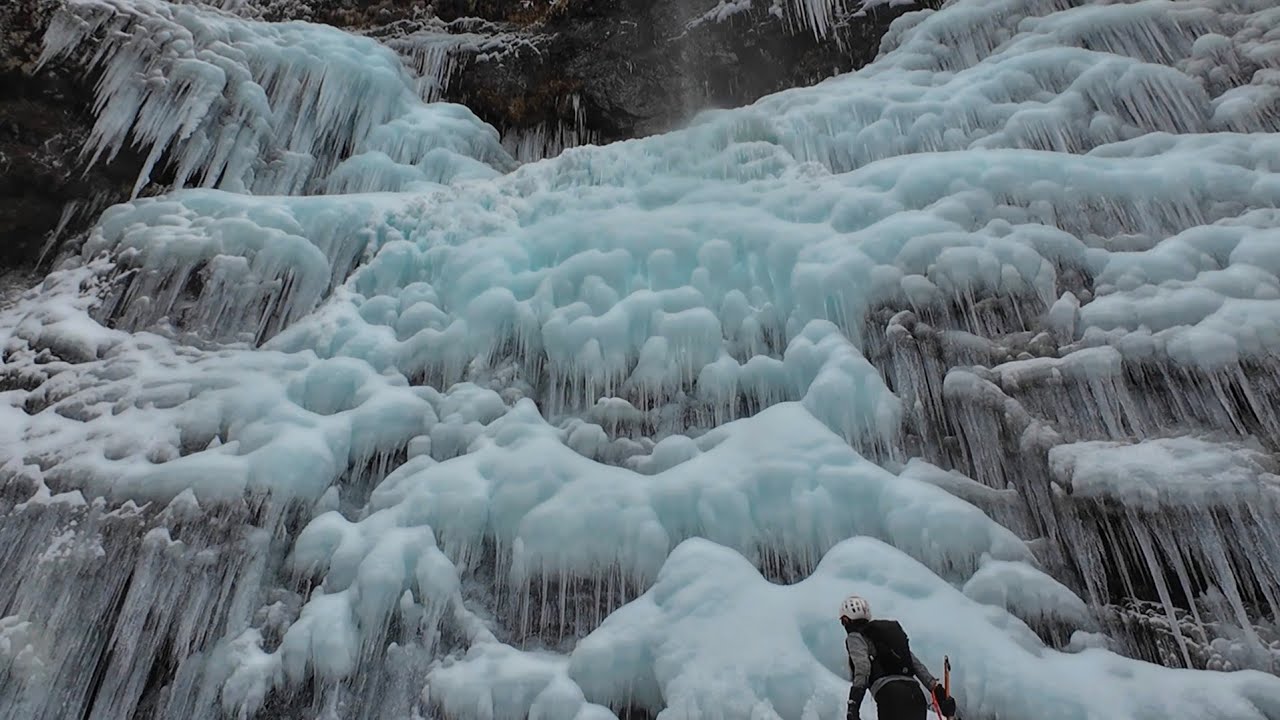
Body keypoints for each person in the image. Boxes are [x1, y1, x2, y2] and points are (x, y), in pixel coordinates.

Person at [840, 594, 957, 720]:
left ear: (846, 620)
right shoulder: (888, 638)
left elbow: (863, 668)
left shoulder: (855, 637)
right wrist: (940, 693)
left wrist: (853, 705)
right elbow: (916, 665)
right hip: (916, 696)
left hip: (891, 696)